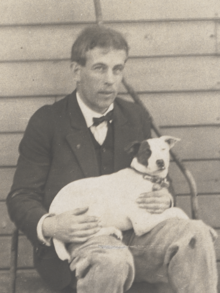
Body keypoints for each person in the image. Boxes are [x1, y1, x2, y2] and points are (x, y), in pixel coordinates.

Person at [7, 25, 217, 293]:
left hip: (139, 236)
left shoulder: (135, 116)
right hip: (82, 240)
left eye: (118, 69)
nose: (110, 80)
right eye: (100, 68)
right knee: (112, 259)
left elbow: (155, 175)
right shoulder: (47, 122)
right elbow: (20, 196)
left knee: (195, 234)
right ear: (76, 71)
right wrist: (53, 224)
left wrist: (165, 197)